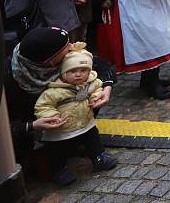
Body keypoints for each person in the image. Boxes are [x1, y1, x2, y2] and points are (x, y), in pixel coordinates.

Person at [4, 28, 114, 181]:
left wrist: (106, 89)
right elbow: (1, 127)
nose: (72, 47)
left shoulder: (68, 57)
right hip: (33, 123)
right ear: (50, 61)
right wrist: (32, 125)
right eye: (66, 47)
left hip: (77, 117)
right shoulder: (7, 81)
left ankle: (78, 142)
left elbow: (104, 66)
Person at [34, 44, 116, 186]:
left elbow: (97, 88)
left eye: (83, 70)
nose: (78, 74)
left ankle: (98, 157)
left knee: (93, 139)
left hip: (85, 121)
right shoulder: (54, 91)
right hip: (61, 128)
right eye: (72, 71)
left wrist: (95, 97)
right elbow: (43, 105)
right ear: (63, 73)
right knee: (58, 150)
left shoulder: (90, 82)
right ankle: (59, 170)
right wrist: (51, 115)